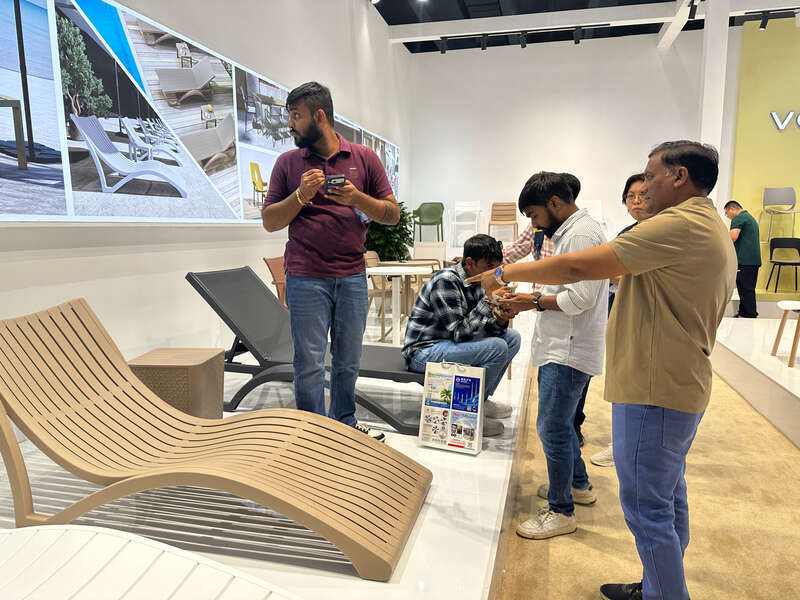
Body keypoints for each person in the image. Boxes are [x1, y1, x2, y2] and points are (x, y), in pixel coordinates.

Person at [468, 141, 736, 600]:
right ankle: (656, 585)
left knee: (647, 507)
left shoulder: (679, 224)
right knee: (665, 497)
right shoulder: (704, 222)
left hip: (656, 385)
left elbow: (577, 269)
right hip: (672, 380)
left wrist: (505, 275)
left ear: (679, 177)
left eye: (649, 176)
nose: (641, 188)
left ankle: (664, 593)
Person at [262, 82, 399, 442]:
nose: (290, 124)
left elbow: (391, 214)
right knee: (308, 362)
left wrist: (357, 198)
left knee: (348, 359)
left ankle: (344, 426)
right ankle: (313, 436)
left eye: (296, 116)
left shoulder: (365, 158)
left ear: (319, 116)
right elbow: (270, 221)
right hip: (305, 277)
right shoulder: (287, 163)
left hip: (352, 275)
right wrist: (300, 195)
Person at [493, 172, 608, 540]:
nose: (534, 224)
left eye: (534, 215)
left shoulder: (580, 235)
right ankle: (577, 484)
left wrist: (532, 301)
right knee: (562, 423)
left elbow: (580, 298)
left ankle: (561, 510)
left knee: (552, 427)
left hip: (568, 349)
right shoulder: (571, 231)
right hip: (562, 344)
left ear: (555, 203)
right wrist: (530, 299)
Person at [403, 234, 521, 437]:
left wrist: (501, 319)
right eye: (489, 267)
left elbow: (483, 327)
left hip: (448, 342)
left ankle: (480, 401)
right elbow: (459, 332)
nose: (494, 274)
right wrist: (488, 301)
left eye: (497, 268)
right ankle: (469, 412)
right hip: (423, 351)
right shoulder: (446, 281)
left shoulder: (477, 281)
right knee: (497, 347)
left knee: (512, 338)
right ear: (469, 263)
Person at [591, 172, 650, 469]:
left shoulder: (660, 233)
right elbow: (612, 270)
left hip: (647, 320)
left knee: (638, 387)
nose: (636, 201)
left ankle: (629, 448)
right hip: (621, 314)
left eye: (643, 195)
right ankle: (623, 445)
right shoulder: (628, 232)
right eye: (631, 196)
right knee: (624, 382)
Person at [723, 200, 761, 318]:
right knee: (747, 289)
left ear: (732, 209)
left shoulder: (738, 218)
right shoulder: (749, 217)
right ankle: (743, 312)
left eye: (726, 213)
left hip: (745, 261)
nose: (727, 216)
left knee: (745, 288)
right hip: (752, 261)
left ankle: (749, 314)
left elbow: (732, 237)